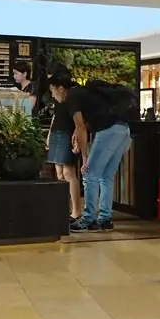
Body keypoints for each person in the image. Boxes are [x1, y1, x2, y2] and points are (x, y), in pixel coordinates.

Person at [49, 73, 132, 233]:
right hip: (123, 130)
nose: (52, 95)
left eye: (52, 90)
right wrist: (78, 134)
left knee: (89, 174)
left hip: (108, 132)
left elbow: (80, 126)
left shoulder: (71, 97)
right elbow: (87, 123)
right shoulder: (82, 92)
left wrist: (85, 157)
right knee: (106, 176)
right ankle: (105, 219)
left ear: (61, 88)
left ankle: (88, 220)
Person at [43, 64, 82, 223]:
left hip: (68, 131)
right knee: (59, 173)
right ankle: (64, 209)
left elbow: (79, 118)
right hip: (57, 131)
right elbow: (55, 115)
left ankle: (76, 211)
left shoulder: (72, 91)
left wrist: (77, 136)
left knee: (68, 172)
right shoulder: (57, 93)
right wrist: (49, 133)